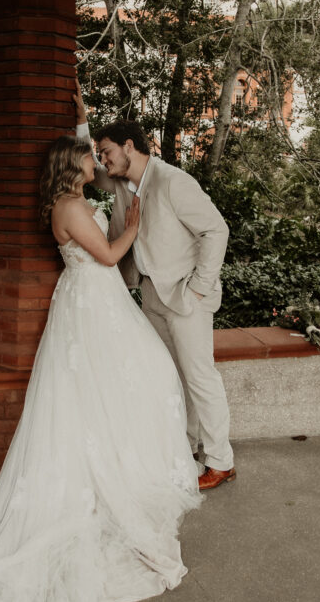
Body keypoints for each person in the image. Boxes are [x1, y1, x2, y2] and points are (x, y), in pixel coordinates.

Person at [0, 136, 201, 602]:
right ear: (71, 164)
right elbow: (105, 256)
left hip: (96, 303)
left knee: (126, 383)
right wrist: (133, 229)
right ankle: (113, 472)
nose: (95, 162)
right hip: (92, 303)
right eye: (88, 156)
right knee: (129, 379)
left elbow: (104, 198)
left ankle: (124, 459)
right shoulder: (69, 205)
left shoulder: (75, 200)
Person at [73, 82, 235, 491]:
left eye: (107, 152)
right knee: (172, 376)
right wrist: (81, 122)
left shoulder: (172, 181)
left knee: (200, 377)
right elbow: (88, 173)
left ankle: (220, 461)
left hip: (185, 296)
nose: (103, 161)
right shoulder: (121, 182)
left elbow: (216, 230)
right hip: (149, 294)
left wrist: (198, 289)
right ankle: (187, 450)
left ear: (130, 146)